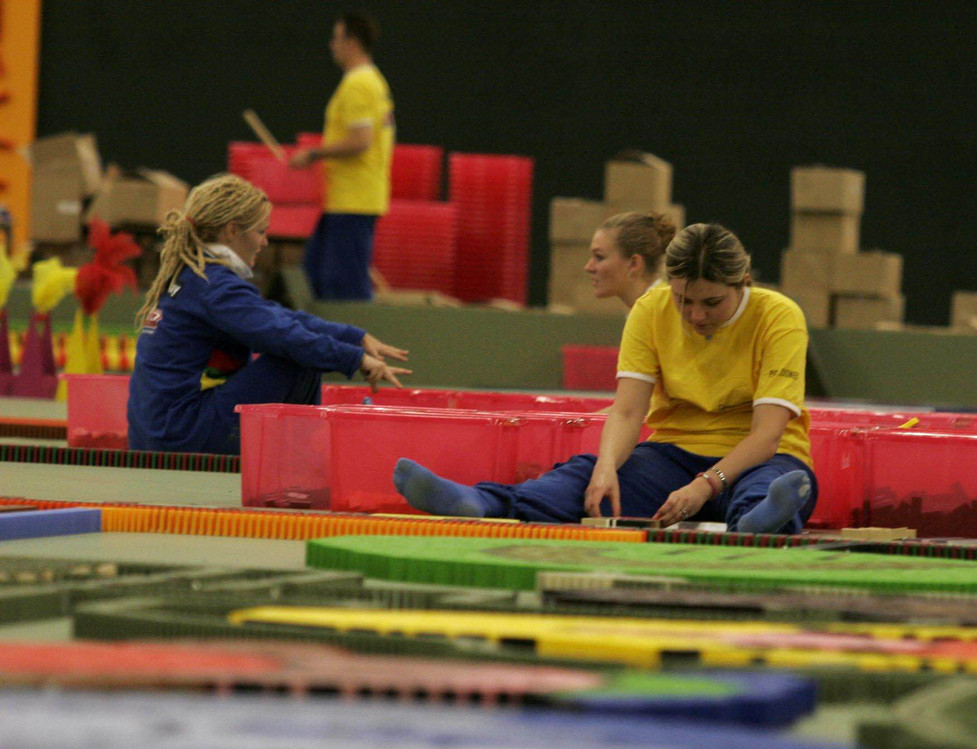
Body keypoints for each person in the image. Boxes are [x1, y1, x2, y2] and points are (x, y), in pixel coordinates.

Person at [393, 223, 818, 534]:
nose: (695, 315)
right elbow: (629, 410)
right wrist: (606, 469)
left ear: (743, 283)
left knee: (772, 485)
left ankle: (757, 522)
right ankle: (482, 502)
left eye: (712, 302)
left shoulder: (779, 316)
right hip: (672, 456)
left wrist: (704, 487)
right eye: (683, 300)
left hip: (761, 459)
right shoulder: (650, 309)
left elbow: (766, 436)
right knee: (580, 479)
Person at [127, 174, 410, 455]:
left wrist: (354, 337)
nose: (264, 243)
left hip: (153, 435)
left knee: (299, 347)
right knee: (299, 358)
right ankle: (302, 466)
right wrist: (354, 359)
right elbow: (284, 335)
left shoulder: (195, 277)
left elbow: (276, 317)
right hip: (181, 435)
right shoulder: (215, 287)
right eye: (260, 232)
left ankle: (296, 458)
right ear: (232, 231)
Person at [289, 10, 394, 301]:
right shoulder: (372, 82)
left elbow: (361, 141)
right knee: (318, 275)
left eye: (336, 38)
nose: (331, 45)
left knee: (345, 285)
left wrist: (313, 154)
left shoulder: (358, 84)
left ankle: (360, 345)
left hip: (353, 200)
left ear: (351, 42)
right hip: (345, 199)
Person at [585, 211, 676, 308]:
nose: (588, 267)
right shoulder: (650, 309)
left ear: (634, 263)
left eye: (599, 257)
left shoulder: (669, 310)